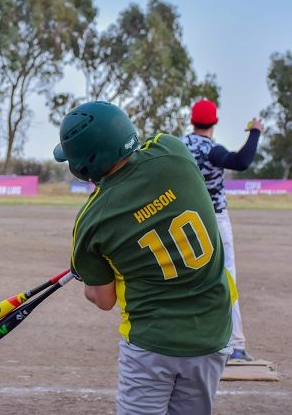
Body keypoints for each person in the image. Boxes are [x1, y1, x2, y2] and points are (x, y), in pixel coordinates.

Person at [54, 101, 236, 414]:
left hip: (151, 343)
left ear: (84, 166)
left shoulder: (91, 220)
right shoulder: (173, 150)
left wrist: (90, 275)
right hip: (214, 333)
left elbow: (104, 299)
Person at [181, 99, 262, 362]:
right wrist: (255, 132)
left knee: (187, 280)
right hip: (215, 220)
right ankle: (235, 345)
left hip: (184, 221)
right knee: (227, 281)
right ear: (214, 123)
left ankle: (188, 339)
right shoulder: (212, 149)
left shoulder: (179, 147)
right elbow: (241, 161)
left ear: (192, 121)